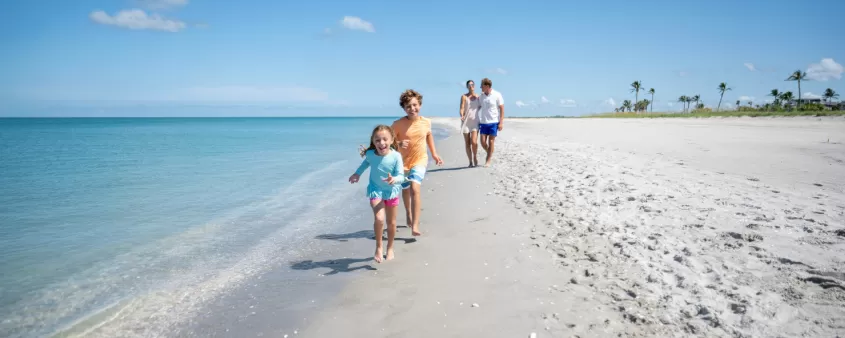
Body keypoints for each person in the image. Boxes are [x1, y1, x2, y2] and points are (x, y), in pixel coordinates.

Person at [349, 125, 406, 263]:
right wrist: (357, 174)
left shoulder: (396, 156)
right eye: (377, 140)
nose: (381, 143)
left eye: (385, 139)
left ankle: (390, 248)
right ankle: (379, 247)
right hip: (376, 190)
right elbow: (365, 164)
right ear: (373, 142)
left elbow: (401, 176)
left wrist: (394, 179)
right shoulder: (371, 155)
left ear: (392, 140)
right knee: (379, 219)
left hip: (391, 191)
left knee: (391, 222)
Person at [391, 89, 443, 236]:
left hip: (420, 160)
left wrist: (434, 154)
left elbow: (429, 136)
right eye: (408, 106)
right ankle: (408, 212)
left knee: (415, 189)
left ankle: (415, 225)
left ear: (419, 104)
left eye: (415, 105)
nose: (412, 109)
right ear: (404, 108)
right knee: (406, 190)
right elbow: (388, 143)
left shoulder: (426, 122)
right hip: (402, 163)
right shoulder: (397, 125)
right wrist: (399, 144)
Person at [478, 77, 504, 167]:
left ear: (487, 86)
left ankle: (488, 160)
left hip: (493, 122)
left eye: (482, 86)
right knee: (482, 142)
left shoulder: (497, 95)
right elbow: (477, 107)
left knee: (491, 141)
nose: (480, 87)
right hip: (484, 122)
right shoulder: (481, 96)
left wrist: (501, 122)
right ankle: (490, 152)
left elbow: (502, 109)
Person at [459, 80, 481, 167]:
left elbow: (482, 106)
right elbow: (461, 108)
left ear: (474, 86)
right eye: (469, 85)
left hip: (475, 122)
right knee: (467, 143)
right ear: (467, 87)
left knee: (474, 142)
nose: (471, 86)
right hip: (466, 122)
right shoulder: (464, 96)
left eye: (472, 84)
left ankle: (475, 156)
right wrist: (461, 115)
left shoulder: (478, 97)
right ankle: (470, 161)